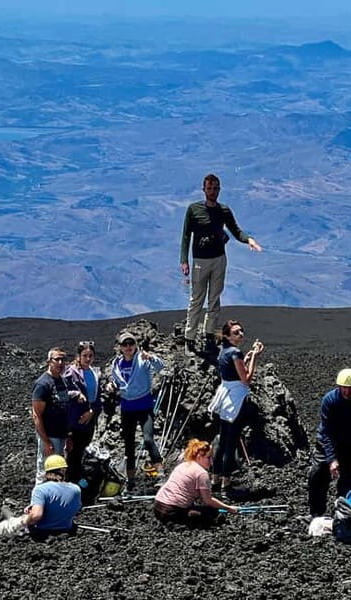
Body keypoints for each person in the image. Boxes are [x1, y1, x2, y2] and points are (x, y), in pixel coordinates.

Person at [180, 173, 262, 355]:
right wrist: (184, 260)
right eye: (209, 188)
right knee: (196, 300)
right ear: (204, 189)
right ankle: (190, 339)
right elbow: (186, 235)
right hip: (200, 261)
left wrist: (249, 240)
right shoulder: (194, 210)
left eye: (215, 188)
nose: (212, 191)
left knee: (214, 299)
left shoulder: (223, 211)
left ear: (219, 190)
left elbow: (235, 230)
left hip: (219, 260)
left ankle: (209, 336)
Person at [207, 320, 263, 493]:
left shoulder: (224, 350)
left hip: (225, 397)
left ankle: (215, 479)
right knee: (231, 442)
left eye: (241, 331)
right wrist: (254, 356)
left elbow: (232, 371)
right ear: (227, 335)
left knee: (222, 441)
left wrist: (245, 358)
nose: (241, 335)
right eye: (236, 332)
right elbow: (246, 379)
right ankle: (226, 481)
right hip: (236, 398)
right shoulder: (235, 352)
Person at [307, 368, 351, 518]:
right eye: (344, 388)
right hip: (327, 444)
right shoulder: (329, 400)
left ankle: (345, 515)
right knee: (318, 475)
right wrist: (332, 459)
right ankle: (316, 514)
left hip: (349, 446)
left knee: (349, 481)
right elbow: (326, 432)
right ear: (338, 386)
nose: (347, 392)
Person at [107, 330, 164, 490]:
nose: (128, 347)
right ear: (120, 347)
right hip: (127, 408)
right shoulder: (116, 363)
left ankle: (161, 474)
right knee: (129, 444)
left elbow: (160, 367)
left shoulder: (142, 359)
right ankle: (130, 481)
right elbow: (116, 381)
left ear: (136, 345)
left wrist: (151, 357)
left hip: (144, 407)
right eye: (125, 344)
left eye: (131, 343)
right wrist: (111, 386)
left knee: (148, 439)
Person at [0, 455, 82, 540]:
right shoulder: (76, 489)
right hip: (65, 529)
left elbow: (36, 516)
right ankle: (7, 514)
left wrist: (24, 521)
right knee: (12, 516)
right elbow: (74, 508)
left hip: (40, 531)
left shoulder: (41, 489)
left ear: (47, 472)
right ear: (64, 471)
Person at [154, 439, 239, 527]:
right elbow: (208, 501)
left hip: (158, 507)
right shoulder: (201, 473)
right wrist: (228, 508)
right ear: (199, 457)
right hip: (171, 511)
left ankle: (189, 512)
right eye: (208, 458)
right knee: (212, 512)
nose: (211, 462)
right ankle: (188, 515)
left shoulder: (183, 465)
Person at [31, 347, 85, 484]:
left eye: (63, 359)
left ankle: (55, 502)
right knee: (45, 470)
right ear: (49, 361)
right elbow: (37, 415)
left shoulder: (62, 381)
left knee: (59, 470)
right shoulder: (42, 384)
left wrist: (69, 435)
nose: (60, 363)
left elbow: (64, 408)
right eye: (57, 359)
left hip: (62, 434)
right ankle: (38, 503)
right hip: (50, 435)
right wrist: (46, 442)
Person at [62, 341, 103, 483]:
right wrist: (76, 394)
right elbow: (62, 393)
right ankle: (70, 483)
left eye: (90, 355)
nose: (88, 359)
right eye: (85, 355)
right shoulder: (71, 372)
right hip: (75, 421)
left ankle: (78, 483)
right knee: (73, 453)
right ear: (78, 356)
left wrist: (92, 411)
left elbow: (98, 398)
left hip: (90, 420)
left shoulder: (95, 373)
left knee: (82, 451)